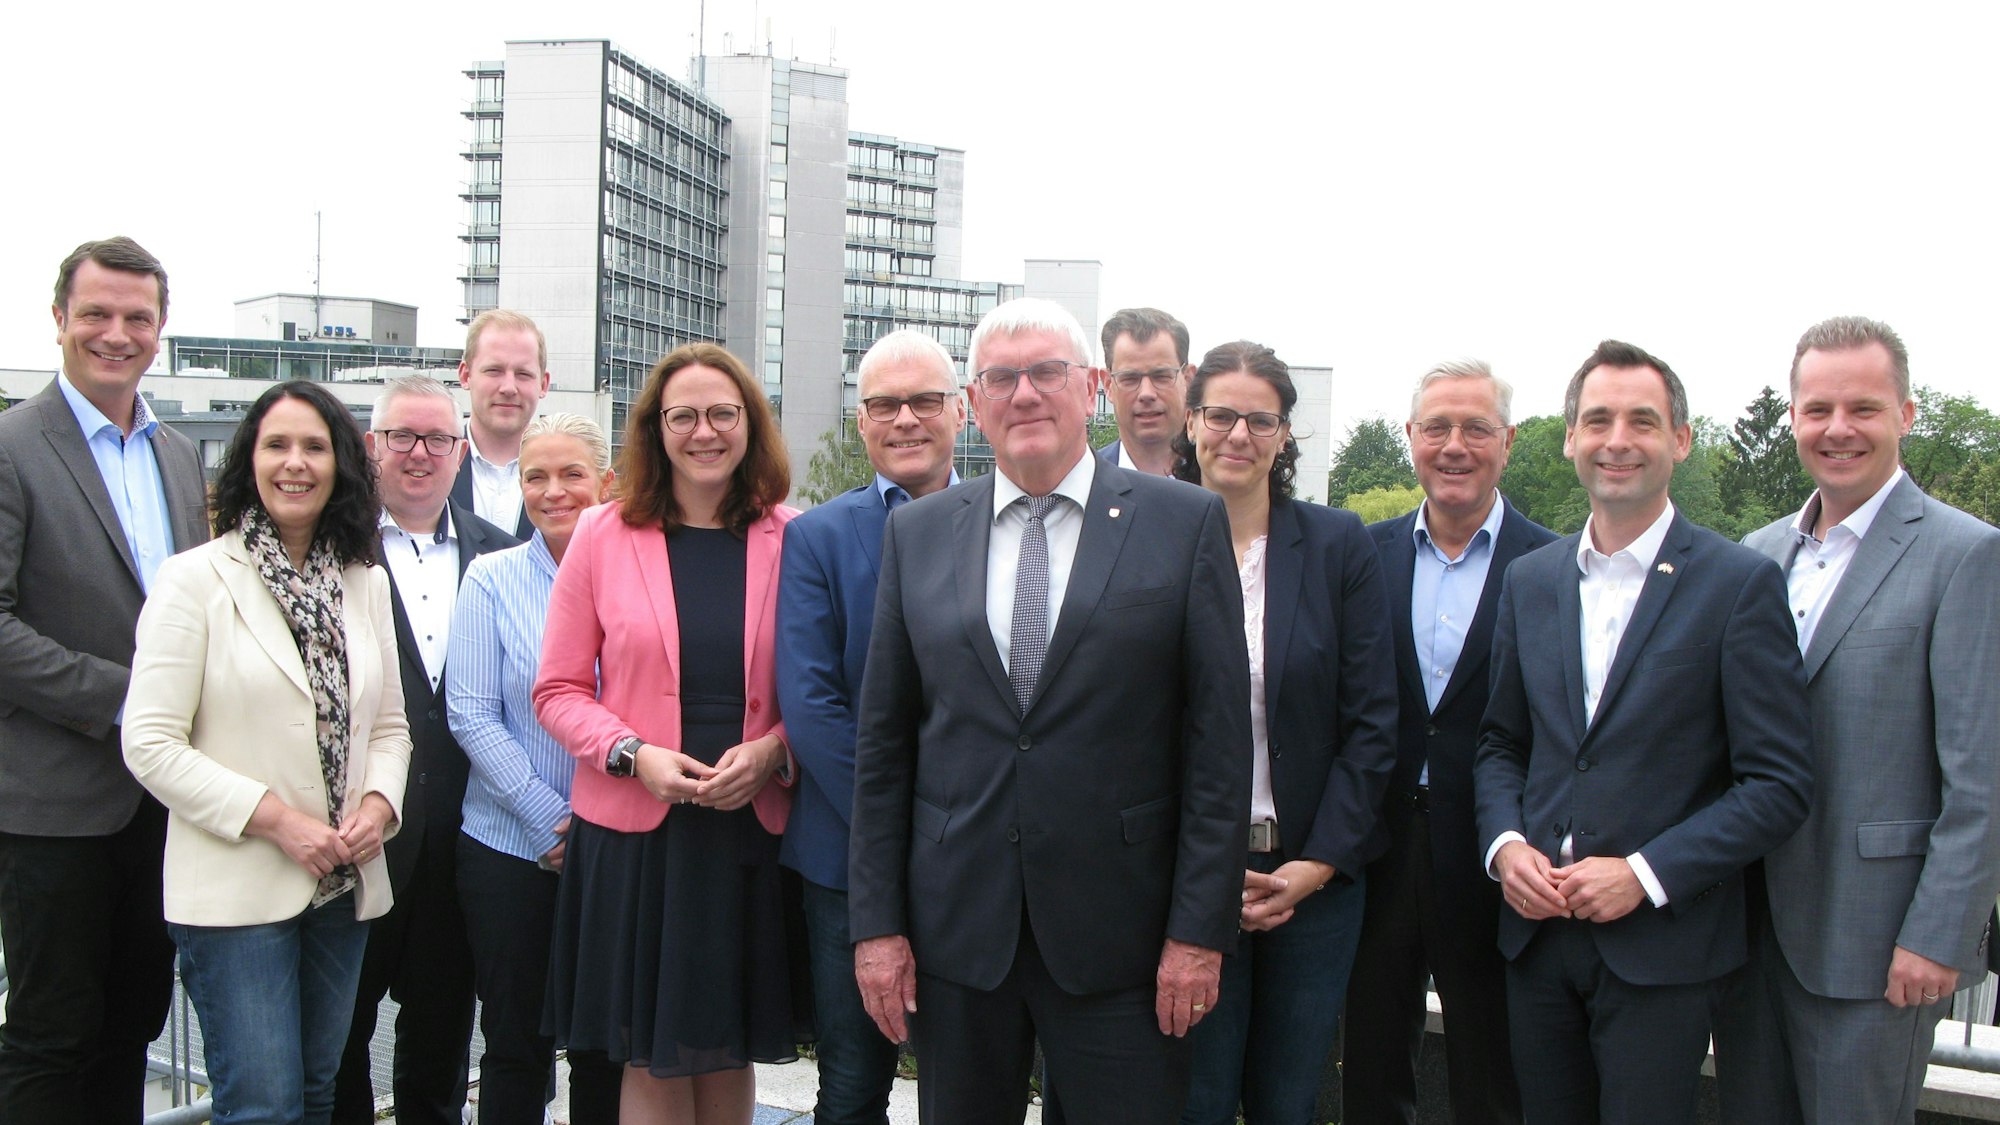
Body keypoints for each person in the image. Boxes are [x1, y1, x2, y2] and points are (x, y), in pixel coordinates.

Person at [849, 297, 1253, 1124]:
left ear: (1093, 386)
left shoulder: (1183, 523)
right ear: (974, 398)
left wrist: (1197, 932)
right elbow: (885, 747)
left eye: (1046, 372)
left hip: (1125, 942)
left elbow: (1217, 748)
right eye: (1002, 377)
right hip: (960, 938)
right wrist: (878, 928)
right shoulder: (919, 535)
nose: (1024, 393)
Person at [1472, 339, 1813, 1125]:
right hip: (1536, 936)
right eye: (1597, 419)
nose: (1616, 439)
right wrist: (1505, 846)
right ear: (1568, 437)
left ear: (1680, 440)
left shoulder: (1738, 585)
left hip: (1664, 950)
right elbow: (1501, 744)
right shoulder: (1533, 580)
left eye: (1642, 420)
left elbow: (1779, 783)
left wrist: (1646, 872)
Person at [1713, 316, 2000, 1124]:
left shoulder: (1966, 555)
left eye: (1864, 408)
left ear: (1906, 414)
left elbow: (1980, 778)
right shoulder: (1757, 553)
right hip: (1745, 933)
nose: (1838, 429)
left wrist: (1939, 935)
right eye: (1818, 409)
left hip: (1875, 945)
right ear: (1796, 416)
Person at [122, 380, 411, 1123]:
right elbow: (149, 741)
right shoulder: (194, 579)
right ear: (249, 458)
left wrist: (379, 804)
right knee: (261, 1105)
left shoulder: (364, 582)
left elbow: (389, 727)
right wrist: (276, 819)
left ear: (341, 463)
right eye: (276, 444)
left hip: (342, 886)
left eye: (314, 446)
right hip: (236, 891)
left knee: (317, 1094)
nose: (295, 463)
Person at [534, 342, 800, 1124]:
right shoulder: (601, 534)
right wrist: (631, 753)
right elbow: (557, 688)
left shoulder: (795, 535)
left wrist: (775, 750)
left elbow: (825, 689)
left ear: (750, 424)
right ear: (656, 428)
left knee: (730, 1049)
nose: (704, 431)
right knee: (652, 1054)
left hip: (747, 831)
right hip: (637, 837)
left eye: (723, 413)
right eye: (683, 415)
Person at [0, 236, 208, 1122]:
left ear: (159, 330)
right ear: (58, 320)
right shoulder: (12, 445)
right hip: (55, 803)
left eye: (136, 317)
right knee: (51, 1038)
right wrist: (134, 698)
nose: (115, 334)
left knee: (133, 1026)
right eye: (96, 314)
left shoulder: (176, 455)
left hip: (162, 806)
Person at [1168, 341, 1398, 1125]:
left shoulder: (1338, 548)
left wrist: (1316, 865)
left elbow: (1373, 726)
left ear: (1286, 434)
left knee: (1288, 1101)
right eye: (1222, 414)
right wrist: (1204, 867)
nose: (1239, 434)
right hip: (1186, 882)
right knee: (1193, 1099)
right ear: (1191, 421)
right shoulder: (1143, 543)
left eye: (1260, 419)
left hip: (1314, 885)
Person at [1343, 360, 1554, 1125]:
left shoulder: (1554, 564)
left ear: (1508, 440)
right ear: (1411, 438)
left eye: (1475, 427)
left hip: (1496, 853)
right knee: (1369, 1065)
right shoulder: (1360, 555)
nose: (1454, 445)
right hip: (1377, 849)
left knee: (1492, 1073)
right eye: (1437, 427)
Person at [776, 329, 965, 1124]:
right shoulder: (817, 536)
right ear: (861, 423)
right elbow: (812, 704)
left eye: (924, 400)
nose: (905, 419)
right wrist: (899, 827)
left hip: (978, 857)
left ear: (961, 411)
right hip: (846, 857)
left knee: (968, 1083)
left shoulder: (1005, 524)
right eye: (884, 404)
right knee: (852, 1083)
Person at [335, 376, 517, 1124]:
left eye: (437, 438)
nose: (419, 453)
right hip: (358, 838)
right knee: (342, 1041)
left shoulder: (500, 554)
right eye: (402, 437)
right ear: (373, 446)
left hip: (465, 842)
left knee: (441, 1043)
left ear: (460, 449)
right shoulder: (332, 548)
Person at [446, 413, 623, 1125]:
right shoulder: (490, 579)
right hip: (510, 848)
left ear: (607, 481)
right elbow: (470, 713)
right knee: (516, 1043)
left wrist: (592, 826)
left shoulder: (641, 575)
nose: (554, 491)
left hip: (615, 847)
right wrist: (550, 818)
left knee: (605, 1046)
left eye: (571, 473)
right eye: (535, 476)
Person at [451, 308, 551, 538]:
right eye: (494, 371)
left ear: (543, 384)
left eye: (523, 374)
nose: (508, 387)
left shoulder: (573, 480)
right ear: (465, 375)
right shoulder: (434, 463)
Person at [1097, 307, 1193, 475]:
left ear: (1188, 379)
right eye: (1130, 378)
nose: (1146, 393)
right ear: (1108, 385)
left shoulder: (1224, 483)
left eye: (1161, 376)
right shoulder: (1086, 487)